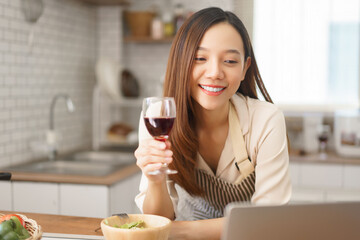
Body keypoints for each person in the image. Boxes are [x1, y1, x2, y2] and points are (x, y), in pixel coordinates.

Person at [134, 7, 291, 240]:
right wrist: (156, 180)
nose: (215, 72)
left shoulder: (266, 120)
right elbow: (158, 219)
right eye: (200, 58)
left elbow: (268, 221)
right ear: (182, 61)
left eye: (229, 60)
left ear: (244, 68)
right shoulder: (159, 115)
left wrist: (182, 230)